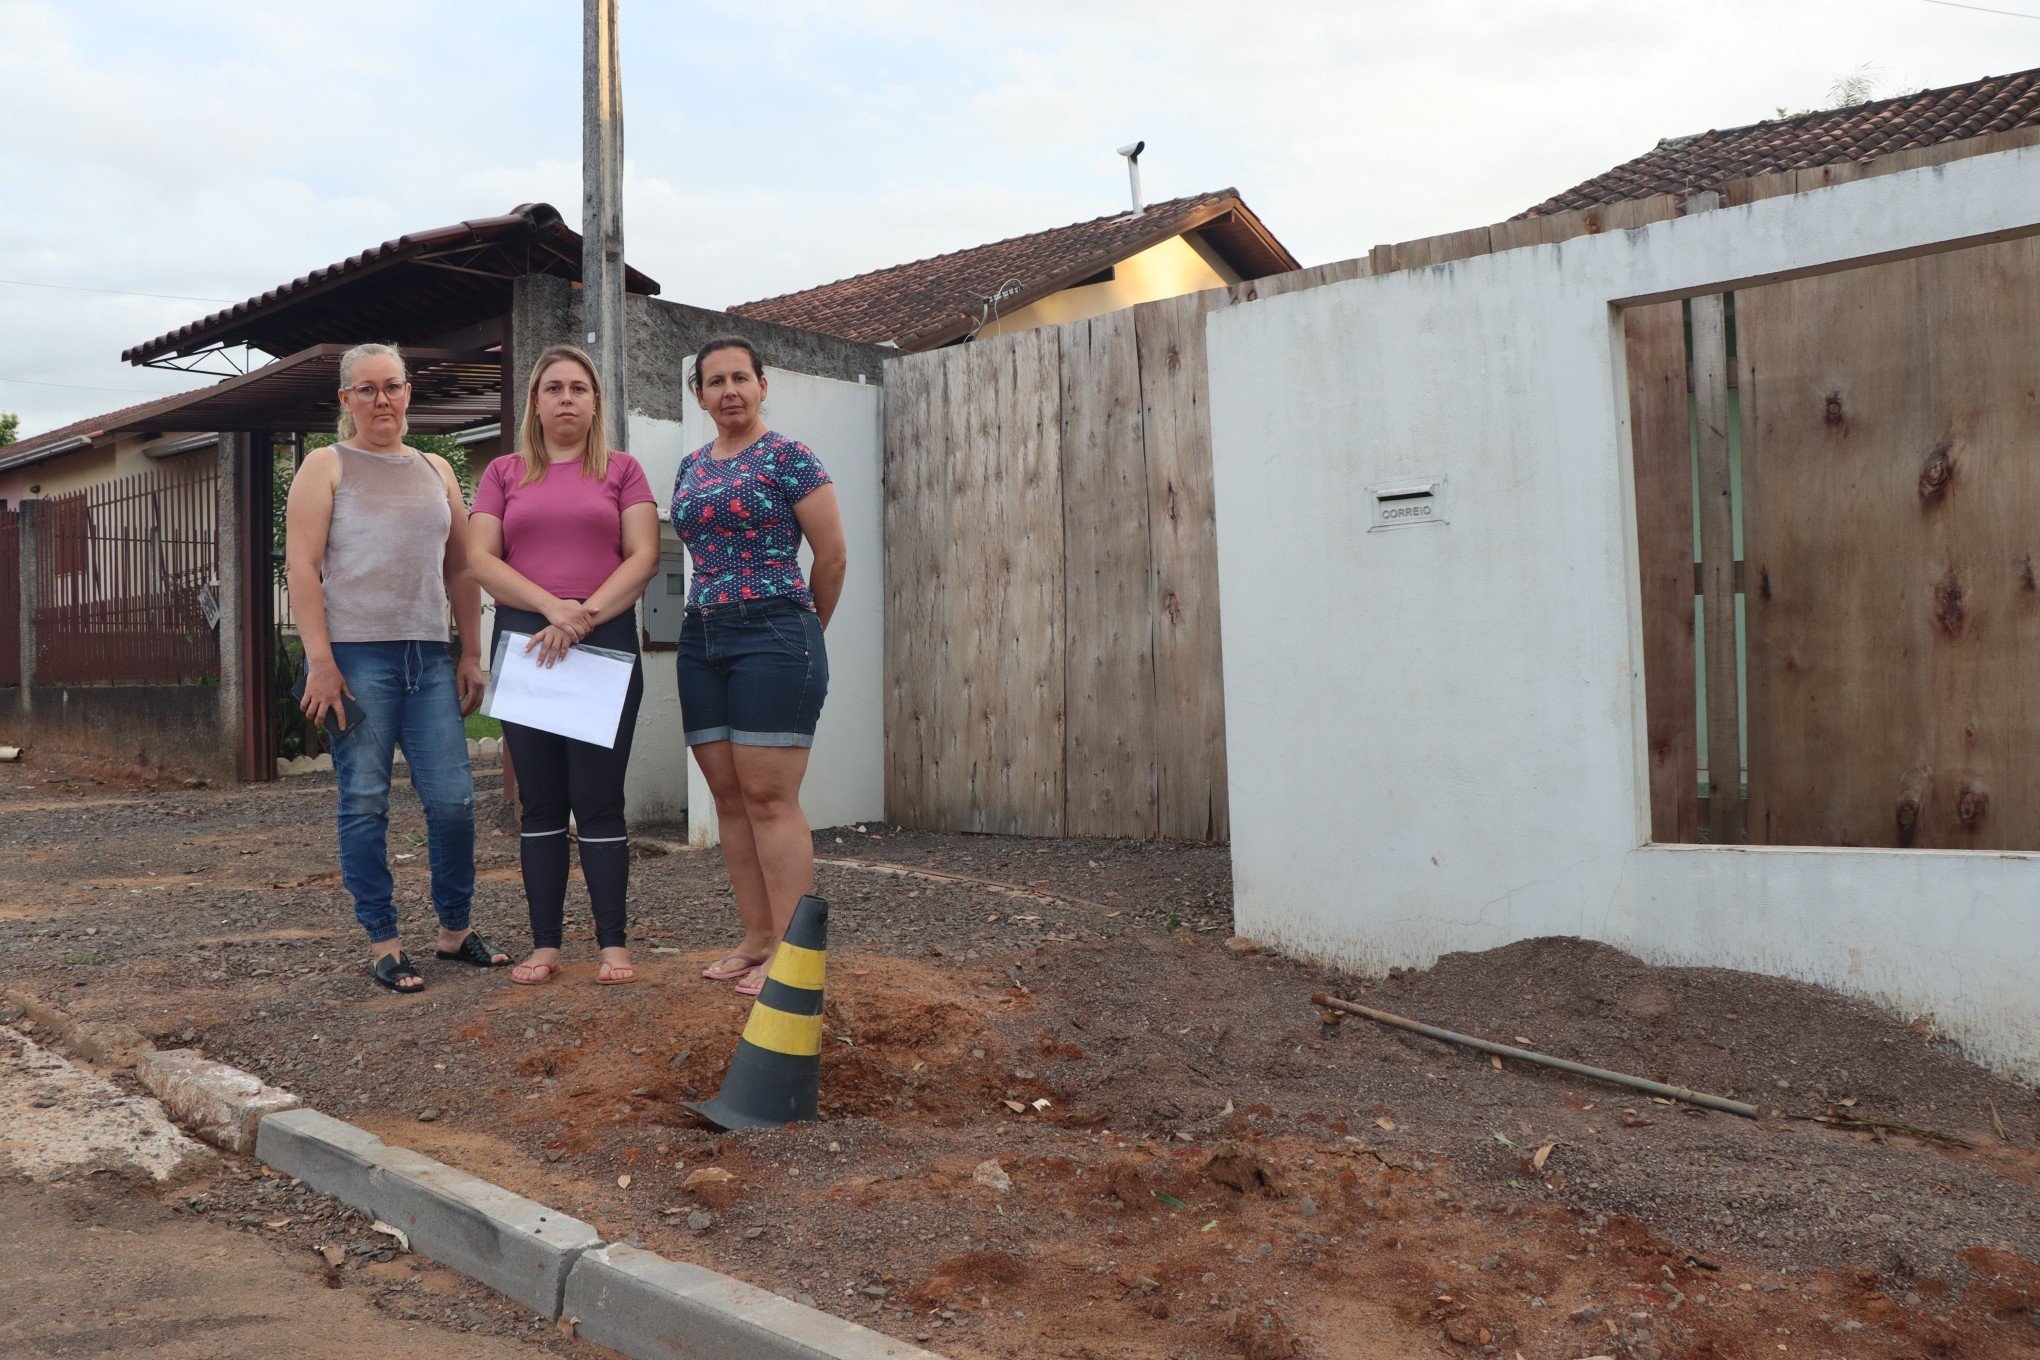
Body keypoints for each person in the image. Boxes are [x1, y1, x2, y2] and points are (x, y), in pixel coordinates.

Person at [285, 342, 504, 993]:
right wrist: (320, 661)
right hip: (356, 658)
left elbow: (460, 565)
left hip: (429, 657)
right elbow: (301, 566)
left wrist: (470, 650)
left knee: (455, 801)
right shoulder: (326, 466)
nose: (382, 400)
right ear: (345, 400)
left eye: (392, 386)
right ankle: (384, 941)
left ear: (409, 392)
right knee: (365, 802)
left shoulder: (436, 469)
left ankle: (455, 932)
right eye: (367, 389)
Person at [467, 345, 659, 985]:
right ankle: (545, 945)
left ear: (595, 401)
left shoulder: (623, 470)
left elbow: (643, 557)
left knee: (599, 799)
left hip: (604, 646)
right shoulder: (503, 473)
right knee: (542, 803)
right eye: (554, 388)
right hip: (529, 647)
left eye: (579, 387)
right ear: (536, 401)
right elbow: (482, 560)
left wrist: (583, 617)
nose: (567, 398)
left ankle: (613, 945)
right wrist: (555, 610)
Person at [672, 335, 847, 998]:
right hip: (702, 638)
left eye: (740, 378)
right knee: (730, 800)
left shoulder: (790, 457)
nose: (729, 391)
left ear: (762, 384)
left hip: (776, 629)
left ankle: (794, 956)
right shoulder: (689, 465)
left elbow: (830, 558)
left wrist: (805, 634)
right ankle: (756, 939)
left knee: (771, 798)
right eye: (715, 382)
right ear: (700, 395)